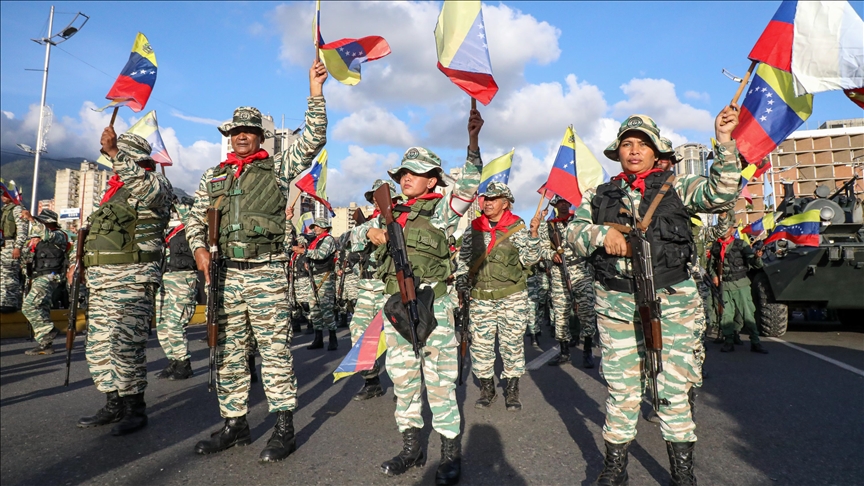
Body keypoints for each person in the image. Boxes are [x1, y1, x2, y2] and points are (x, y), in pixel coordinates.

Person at [564, 106, 742, 486]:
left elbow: (721, 192)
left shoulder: (678, 186)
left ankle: (682, 473)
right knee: (622, 387)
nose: (633, 150)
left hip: (672, 301)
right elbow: (572, 234)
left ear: (656, 151)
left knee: (672, 387)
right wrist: (600, 235)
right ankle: (615, 468)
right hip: (616, 302)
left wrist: (725, 142)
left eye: (641, 145)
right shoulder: (599, 195)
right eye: (626, 144)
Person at [186, 59, 328, 463]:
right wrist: (198, 250)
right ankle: (236, 423)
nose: (241, 137)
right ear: (229, 137)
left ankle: (284, 426)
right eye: (235, 132)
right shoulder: (213, 176)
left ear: (260, 136)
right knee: (228, 350)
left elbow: (313, 139)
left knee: (274, 351)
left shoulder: (279, 167)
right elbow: (195, 219)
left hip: (265, 272)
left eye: (248, 131)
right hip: (225, 275)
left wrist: (315, 91)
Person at [356, 109, 485, 485]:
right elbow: (346, 242)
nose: (406, 178)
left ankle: (449, 455)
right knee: (403, 380)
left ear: (432, 180)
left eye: (415, 173)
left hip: (434, 306)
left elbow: (468, 187)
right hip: (395, 308)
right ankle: (411, 448)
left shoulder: (443, 210)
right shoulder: (386, 213)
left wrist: (473, 144)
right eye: (402, 173)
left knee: (441, 383)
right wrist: (368, 234)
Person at [76, 131, 173, 437]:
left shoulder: (155, 185)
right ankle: (113, 401)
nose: (114, 162)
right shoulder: (113, 193)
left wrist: (116, 153)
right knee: (99, 347)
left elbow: (147, 190)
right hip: (102, 282)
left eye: (121, 156)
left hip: (133, 280)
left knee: (126, 346)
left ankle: (134, 407)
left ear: (136, 160)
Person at [455, 182, 542, 412]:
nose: (488, 203)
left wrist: (533, 234)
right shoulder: (473, 229)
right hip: (481, 297)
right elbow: (463, 260)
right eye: (486, 199)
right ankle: (487, 389)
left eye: (494, 199)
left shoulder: (516, 227)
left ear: (505, 203)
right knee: (481, 346)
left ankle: (512, 391)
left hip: (511, 297)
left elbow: (530, 260)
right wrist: (462, 278)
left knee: (511, 345)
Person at [346, 179, 399, 401]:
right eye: (373, 198)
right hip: (368, 286)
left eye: (379, 196)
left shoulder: (402, 219)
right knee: (359, 332)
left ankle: (403, 384)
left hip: (391, 286)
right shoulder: (371, 222)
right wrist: (368, 232)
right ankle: (371, 381)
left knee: (398, 337)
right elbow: (353, 237)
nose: (375, 200)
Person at [542, 195, 599, 368]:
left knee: (587, 311)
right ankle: (564, 351)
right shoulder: (549, 227)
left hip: (581, 272)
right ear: (556, 205)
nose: (563, 205)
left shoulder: (579, 223)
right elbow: (542, 249)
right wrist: (552, 255)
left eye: (566, 202)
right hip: (560, 274)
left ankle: (587, 350)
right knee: (560, 314)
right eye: (560, 203)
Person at [154, 198, 197, 380]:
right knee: (162, 324)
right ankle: (173, 359)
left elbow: (190, 218)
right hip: (164, 279)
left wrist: (177, 202)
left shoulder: (192, 226)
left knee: (175, 323)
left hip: (183, 278)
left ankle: (183, 363)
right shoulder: (167, 229)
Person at [709, 226, 769, 354]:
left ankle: (755, 342)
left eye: (726, 229)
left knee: (748, 314)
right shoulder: (716, 246)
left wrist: (757, 257)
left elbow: (754, 263)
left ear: (731, 230)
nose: (723, 231)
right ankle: (728, 341)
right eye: (721, 229)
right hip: (725, 285)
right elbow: (711, 265)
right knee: (726, 315)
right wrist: (714, 276)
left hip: (741, 284)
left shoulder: (741, 245)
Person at [21, 208, 67, 355]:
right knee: (42, 308)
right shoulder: (40, 238)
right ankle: (45, 344)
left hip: (51, 276)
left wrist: (31, 219)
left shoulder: (59, 235)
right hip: (38, 276)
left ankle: (49, 331)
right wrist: (31, 246)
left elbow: (48, 235)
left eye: (41, 222)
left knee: (29, 306)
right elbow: (25, 257)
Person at [292, 217, 338, 350]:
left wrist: (304, 251)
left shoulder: (328, 239)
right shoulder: (316, 240)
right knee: (314, 308)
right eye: (314, 227)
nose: (314, 229)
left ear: (324, 227)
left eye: (317, 226)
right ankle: (318, 338)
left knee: (326, 308)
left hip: (325, 277)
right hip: (314, 277)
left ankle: (332, 337)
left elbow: (321, 254)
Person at [1, 187, 28, 313]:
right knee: (3, 276)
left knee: (10, 275)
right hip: (4, 245)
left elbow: (22, 229)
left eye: (5, 194)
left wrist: (18, 247)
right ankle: (4, 301)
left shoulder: (17, 209)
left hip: (11, 245)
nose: (2, 197)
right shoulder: (4, 210)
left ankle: (11, 302)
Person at [525, 261, 550, 349]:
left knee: (533, 307)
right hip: (517, 280)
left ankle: (534, 334)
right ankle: (534, 330)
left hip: (531, 278)